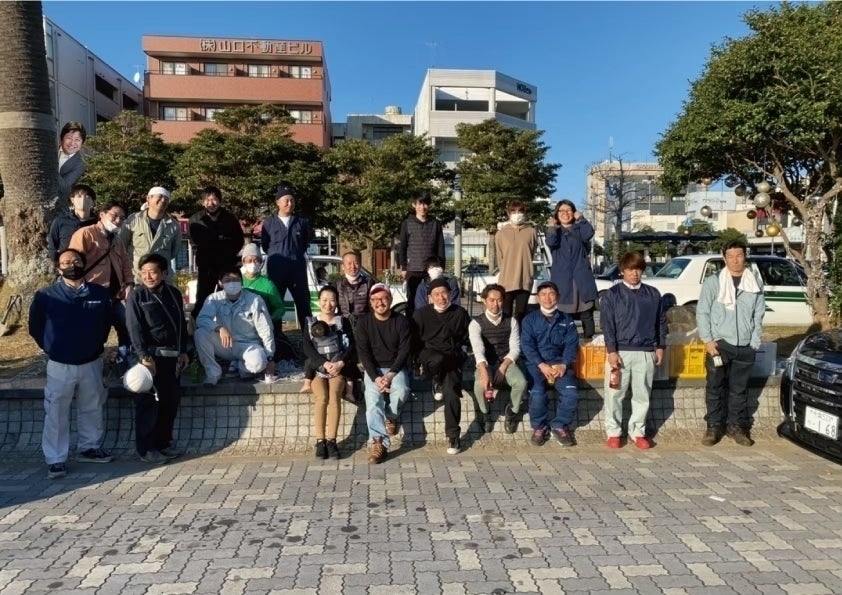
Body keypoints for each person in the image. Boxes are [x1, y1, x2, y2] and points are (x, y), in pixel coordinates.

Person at [28, 248, 113, 479]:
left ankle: (89, 447)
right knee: (56, 411)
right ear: (58, 268)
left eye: (76, 261)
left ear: (84, 264)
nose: (71, 265)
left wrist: (97, 344)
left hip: (91, 361)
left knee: (92, 405)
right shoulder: (46, 296)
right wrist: (51, 347)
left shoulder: (100, 294)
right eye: (65, 262)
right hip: (59, 364)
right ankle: (55, 459)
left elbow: (107, 322)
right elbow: (35, 327)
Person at [697, 239, 765, 447]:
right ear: (724, 258)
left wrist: (754, 341)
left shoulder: (754, 282)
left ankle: (735, 427)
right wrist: (708, 340)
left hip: (745, 345)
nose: (735, 260)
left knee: (739, 390)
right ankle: (714, 426)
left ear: (745, 256)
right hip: (719, 344)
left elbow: (759, 313)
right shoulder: (714, 282)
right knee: (715, 387)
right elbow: (703, 312)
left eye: (739, 255)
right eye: (731, 256)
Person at [125, 253, 189, 464]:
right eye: (144, 272)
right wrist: (143, 356)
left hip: (172, 357)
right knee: (149, 404)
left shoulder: (174, 293)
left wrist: (183, 351)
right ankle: (147, 448)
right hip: (150, 358)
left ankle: (163, 443)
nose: (148, 276)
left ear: (164, 273)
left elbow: (181, 325)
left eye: (153, 272)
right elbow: (134, 329)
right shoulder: (137, 296)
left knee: (169, 402)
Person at [600, 251, 667, 450]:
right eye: (630, 269)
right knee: (614, 394)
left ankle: (638, 432)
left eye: (638, 269)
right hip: (620, 351)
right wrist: (611, 350)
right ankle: (613, 432)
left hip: (645, 351)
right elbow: (607, 325)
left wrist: (660, 346)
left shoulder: (653, 294)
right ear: (622, 270)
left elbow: (660, 322)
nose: (634, 273)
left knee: (642, 394)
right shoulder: (612, 295)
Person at [68, 200, 134, 362]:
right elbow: (73, 263)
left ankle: (123, 359)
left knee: (128, 325)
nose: (118, 220)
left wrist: (129, 284)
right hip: (92, 295)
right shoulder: (85, 234)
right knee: (96, 332)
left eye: (122, 218)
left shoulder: (117, 240)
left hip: (115, 296)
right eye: (114, 215)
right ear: (102, 214)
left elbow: (126, 263)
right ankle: (92, 361)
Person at [413, 277, 471, 455]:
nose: (441, 298)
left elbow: (467, 338)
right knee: (437, 359)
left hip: (452, 358)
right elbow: (414, 342)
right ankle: (436, 380)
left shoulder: (460, 313)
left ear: (450, 294)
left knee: (452, 393)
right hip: (429, 356)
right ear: (430, 297)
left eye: (444, 293)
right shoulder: (421, 314)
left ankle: (453, 436)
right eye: (436, 294)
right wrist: (415, 363)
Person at [355, 283, 412, 464]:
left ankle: (391, 416)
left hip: (395, 368)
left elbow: (404, 351)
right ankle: (379, 442)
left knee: (402, 390)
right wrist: (376, 377)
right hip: (373, 370)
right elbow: (363, 353)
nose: (380, 302)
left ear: (391, 299)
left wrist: (390, 375)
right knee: (373, 401)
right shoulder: (363, 323)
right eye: (375, 299)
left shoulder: (401, 322)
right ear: (370, 302)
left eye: (383, 298)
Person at [520, 281, 580, 447]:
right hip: (536, 365)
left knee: (571, 394)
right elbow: (527, 346)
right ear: (537, 298)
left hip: (560, 364)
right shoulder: (529, 320)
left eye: (551, 294)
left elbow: (572, 345)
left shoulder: (567, 320)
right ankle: (540, 427)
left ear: (558, 297)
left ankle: (559, 425)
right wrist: (541, 364)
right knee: (537, 393)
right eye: (543, 295)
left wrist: (564, 364)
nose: (547, 298)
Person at [194, 267, 276, 386]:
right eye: (227, 280)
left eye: (236, 280)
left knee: (258, 364)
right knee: (200, 333)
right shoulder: (214, 298)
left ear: (241, 282)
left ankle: (241, 367)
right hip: (225, 344)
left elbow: (266, 330)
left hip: (249, 345)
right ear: (220, 283)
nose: (232, 283)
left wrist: (270, 357)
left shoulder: (255, 300)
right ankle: (213, 373)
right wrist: (219, 328)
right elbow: (202, 319)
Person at [301, 285, 356, 460]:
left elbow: (352, 346)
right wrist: (323, 363)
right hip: (318, 370)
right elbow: (307, 347)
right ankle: (320, 441)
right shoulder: (310, 321)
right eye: (324, 300)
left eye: (332, 300)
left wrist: (340, 363)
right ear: (319, 301)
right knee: (322, 397)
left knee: (334, 396)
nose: (328, 304)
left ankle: (332, 441)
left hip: (338, 369)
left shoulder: (343, 321)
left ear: (337, 302)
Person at [468, 283, 527, 435]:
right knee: (479, 385)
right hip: (485, 362)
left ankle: (512, 411)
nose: (496, 304)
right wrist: (484, 371)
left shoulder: (512, 321)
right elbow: (478, 349)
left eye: (499, 300)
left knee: (521, 383)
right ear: (484, 301)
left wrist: (503, 367)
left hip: (505, 360)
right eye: (492, 300)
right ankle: (485, 413)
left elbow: (515, 348)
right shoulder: (475, 323)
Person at [188, 185, 245, 319]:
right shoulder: (196, 219)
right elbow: (194, 241)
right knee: (203, 298)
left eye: (214, 200)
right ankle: (198, 325)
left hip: (226, 265)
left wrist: (226, 251)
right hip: (206, 266)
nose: (211, 203)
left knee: (226, 298)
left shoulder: (230, 219)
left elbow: (238, 240)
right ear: (203, 202)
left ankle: (227, 324)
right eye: (207, 200)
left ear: (219, 201)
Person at [240, 243, 299, 366]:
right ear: (243, 262)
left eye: (256, 260)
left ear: (261, 262)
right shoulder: (237, 281)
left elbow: (280, 309)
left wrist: (269, 319)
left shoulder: (268, 284)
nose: (253, 263)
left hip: (260, 328)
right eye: (249, 260)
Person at [261, 185, 312, 329]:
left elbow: (303, 244)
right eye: (286, 200)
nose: (290, 204)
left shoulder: (301, 222)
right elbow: (265, 245)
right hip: (276, 270)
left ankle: (308, 336)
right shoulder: (269, 222)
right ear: (278, 202)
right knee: (275, 304)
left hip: (297, 270)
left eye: (292, 200)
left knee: (303, 304)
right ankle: (277, 337)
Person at [545, 199, 598, 339]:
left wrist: (581, 219)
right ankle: (565, 345)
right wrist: (552, 227)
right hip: (563, 280)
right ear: (556, 214)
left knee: (587, 314)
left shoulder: (579, 228)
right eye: (561, 211)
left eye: (568, 210)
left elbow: (589, 234)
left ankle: (589, 344)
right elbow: (551, 242)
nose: (565, 213)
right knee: (563, 318)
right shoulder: (554, 231)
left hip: (582, 278)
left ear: (574, 212)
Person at [398, 191, 445, 319]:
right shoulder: (407, 223)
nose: (422, 207)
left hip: (432, 270)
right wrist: (403, 267)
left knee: (434, 300)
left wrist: (441, 267)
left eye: (425, 204)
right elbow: (402, 247)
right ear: (414, 205)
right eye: (419, 204)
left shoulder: (436, 224)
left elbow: (440, 247)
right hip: (413, 269)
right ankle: (412, 327)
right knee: (412, 301)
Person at [122, 186, 182, 283]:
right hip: (137, 278)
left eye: (166, 198)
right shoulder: (133, 220)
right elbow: (122, 246)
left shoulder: (173, 225)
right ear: (148, 198)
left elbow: (174, 252)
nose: (163, 200)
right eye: (160, 196)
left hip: (162, 279)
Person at [495, 200, 538, 322]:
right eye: (513, 211)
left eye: (520, 211)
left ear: (524, 213)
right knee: (505, 314)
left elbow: (532, 253)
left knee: (521, 314)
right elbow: (500, 256)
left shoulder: (531, 232)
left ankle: (520, 334)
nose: (517, 214)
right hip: (506, 281)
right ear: (508, 213)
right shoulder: (501, 234)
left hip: (525, 279)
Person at [47, 183, 97, 261]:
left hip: (93, 264)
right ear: (72, 200)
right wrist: (58, 263)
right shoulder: (60, 221)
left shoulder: (98, 223)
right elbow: (52, 246)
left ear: (93, 202)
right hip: (68, 264)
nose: (83, 199)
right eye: (79, 196)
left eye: (87, 196)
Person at [336, 251, 374, 323]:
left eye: (356, 263)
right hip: (344, 324)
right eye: (349, 263)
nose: (353, 267)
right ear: (343, 267)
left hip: (364, 324)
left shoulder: (369, 283)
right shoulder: (337, 285)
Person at [57, 121, 86, 203]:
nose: (72, 143)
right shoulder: (49, 149)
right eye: (69, 138)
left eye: (77, 140)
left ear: (82, 143)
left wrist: (49, 166)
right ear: (61, 138)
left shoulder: (80, 164)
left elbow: (64, 186)